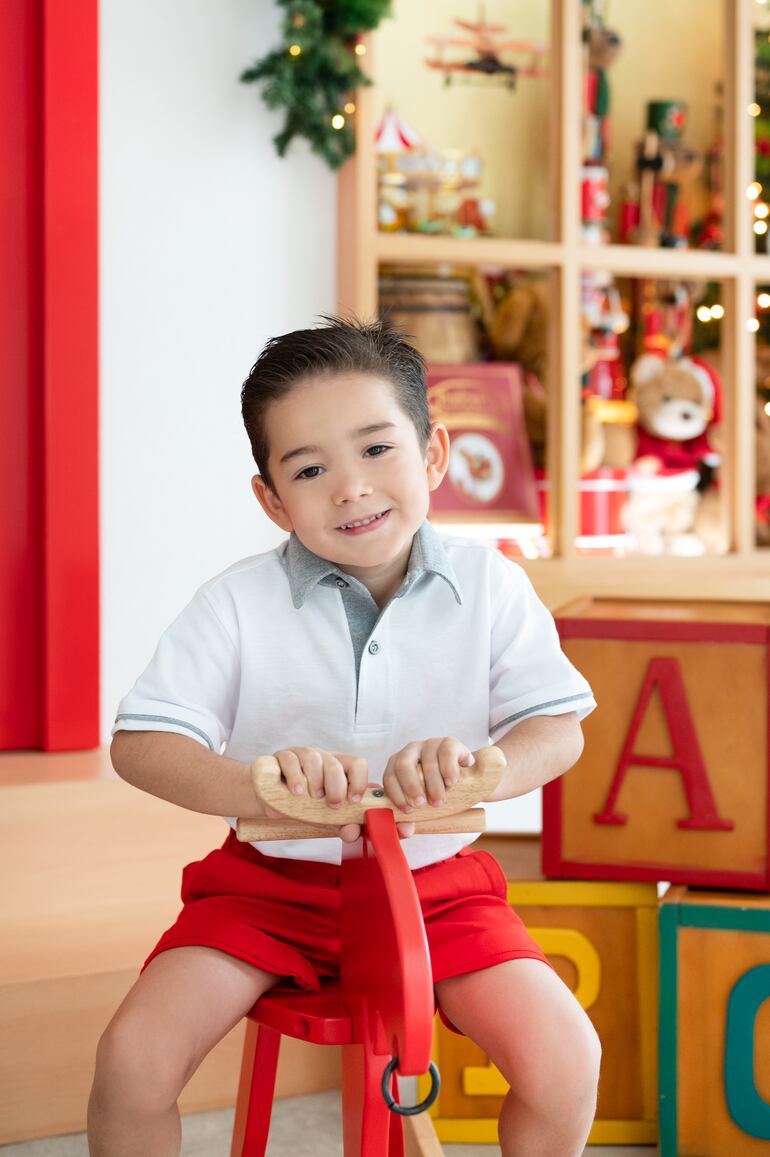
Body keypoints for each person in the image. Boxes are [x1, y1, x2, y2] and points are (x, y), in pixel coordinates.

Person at [88, 317, 600, 1157]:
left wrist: (482, 768)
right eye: (311, 468)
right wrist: (258, 784)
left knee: (566, 1056)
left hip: (440, 891)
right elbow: (141, 744)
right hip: (264, 891)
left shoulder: (493, 585)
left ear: (433, 454)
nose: (352, 489)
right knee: (132, 1059)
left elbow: (560, 729)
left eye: (376, 450)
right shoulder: (235, 602)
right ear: (272, 498)